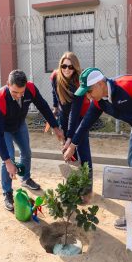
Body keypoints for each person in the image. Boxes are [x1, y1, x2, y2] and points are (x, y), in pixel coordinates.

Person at [63, 67, 132, 229]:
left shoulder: (131, 85)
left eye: (89, 91)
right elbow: (85, 123)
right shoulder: (99, 101)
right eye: (85, 93)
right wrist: (72, 146)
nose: (88, 96)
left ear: (100, 84)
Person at [0, 69, 64, 211]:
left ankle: (25, 179)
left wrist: (55, 127)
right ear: (8, 84)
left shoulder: (30, 88)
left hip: (19, 125)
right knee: (9, 158)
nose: (19, 96)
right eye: (15, 92)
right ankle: (7, 192)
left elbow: (43, 106)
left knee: (26, 152)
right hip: (4, 129)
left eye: (21, 92)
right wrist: (7, 162)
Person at [50, 52, 92, 202]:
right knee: (69, 155)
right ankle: (73, 185)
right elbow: (54, 93)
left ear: (75, 68)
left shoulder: (79, 84)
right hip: (63, 116)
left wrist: (70, 139)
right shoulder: (55, 76)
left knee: (83, 151)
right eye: (64, 66)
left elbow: (75, 113)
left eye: (70, 67)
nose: (67, 69)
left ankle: (87, 189)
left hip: (80, 117)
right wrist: (55, 107)